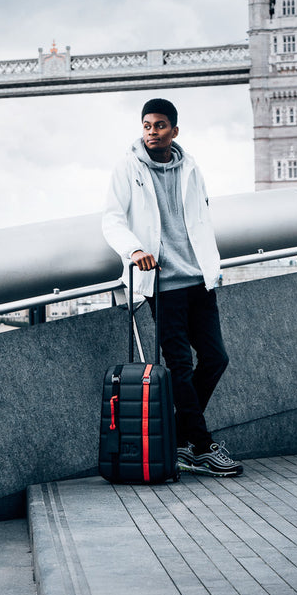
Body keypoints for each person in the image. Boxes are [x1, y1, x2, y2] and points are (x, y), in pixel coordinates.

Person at [102, 98, 242, 478]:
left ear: (174, 131)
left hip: (199, 280)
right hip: (162, 286)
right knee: (179, 367)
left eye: (160, 125)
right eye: (146, 125)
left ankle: (180, 438)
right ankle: (200, 445)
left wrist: (210, 267)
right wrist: (133, 249)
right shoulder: (127, 169)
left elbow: (201, 220)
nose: (152, 132)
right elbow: (112, 219)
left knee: (216, 359)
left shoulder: (191, 168)